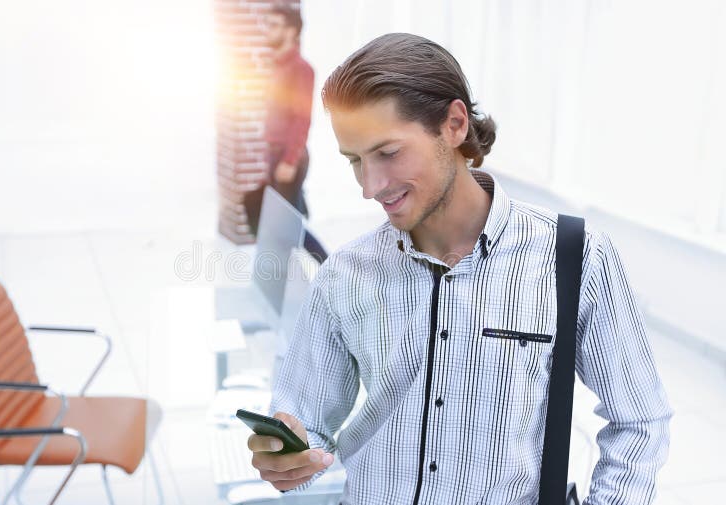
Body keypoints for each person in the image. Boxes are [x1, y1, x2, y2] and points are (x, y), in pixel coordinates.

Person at [247, 33, 672, 504]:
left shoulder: (574, 258)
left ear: (453, 124)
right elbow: (305, 426)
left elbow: (640, 421)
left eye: (388, 153)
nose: (371, 186)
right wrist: (288, 458)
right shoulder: (346, 273)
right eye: (355, 161)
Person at [244, 3, 315, 235]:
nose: (268, 30)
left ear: (291, 31)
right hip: (275, 154)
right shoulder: (278, 67)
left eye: (274, 25)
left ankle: (325, 263)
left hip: (288, 156)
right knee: (282, 220)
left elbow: (302, 118)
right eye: (268, 24)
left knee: (285, 227)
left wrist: (290, 160)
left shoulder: (301, 70)